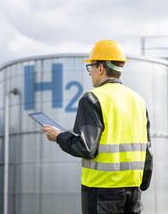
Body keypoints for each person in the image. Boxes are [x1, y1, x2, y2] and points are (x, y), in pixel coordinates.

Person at [43, 40, 153, 214]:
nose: (90, 73)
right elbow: (147, 148)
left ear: (100, 68)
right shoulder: (138, 100)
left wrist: (59, 137)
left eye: (91, 67)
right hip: (133, 190)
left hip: (102, 190)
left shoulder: (93, 99)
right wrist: (142, 183)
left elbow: (86, 148)